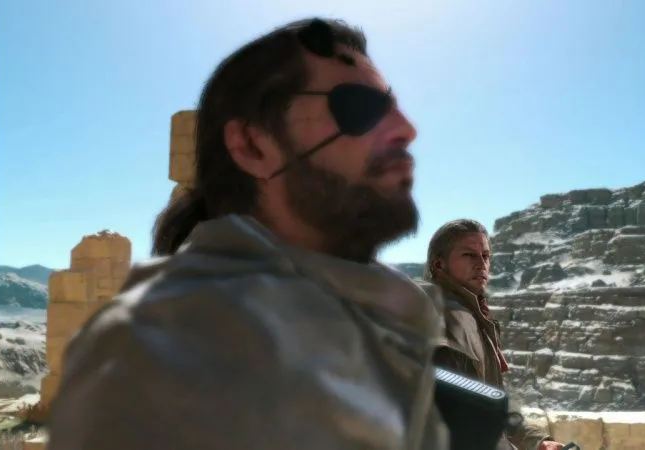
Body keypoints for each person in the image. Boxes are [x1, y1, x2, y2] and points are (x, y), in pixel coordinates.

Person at [47, 18, 450, 450]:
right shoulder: (166, 355)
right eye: (360, 106)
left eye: (392, 105)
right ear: (252, 146)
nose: (406, 128)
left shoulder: (375, 316)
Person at [421, 219, 565, 450]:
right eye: (469, 255)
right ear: (440, 263)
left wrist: (536, 442)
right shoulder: (441, 319)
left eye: (486, 256)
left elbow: (491, 397)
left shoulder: (473, 316)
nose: (481, 264)